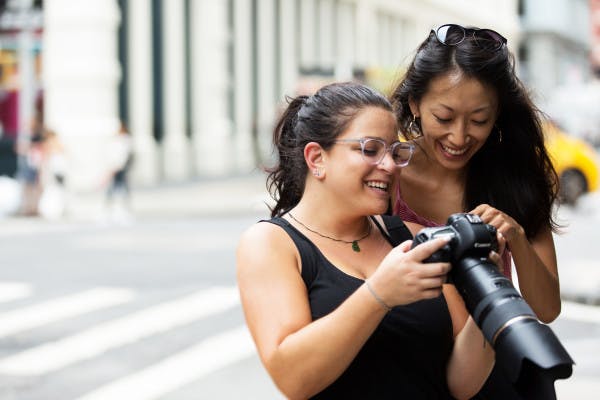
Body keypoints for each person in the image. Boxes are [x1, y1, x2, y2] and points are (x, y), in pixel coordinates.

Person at [237, 81, 500, 399]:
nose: (389, 166)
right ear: (317, 158)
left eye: (395, 152)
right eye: (371, 149)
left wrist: (487, 302)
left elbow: (462, 385)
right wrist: (378, 295)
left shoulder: (415, 239)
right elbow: (294, 379)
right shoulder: (271, 244)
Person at [388, 24, 561, 398]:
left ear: (497, 114)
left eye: (479, 120)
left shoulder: (516, 178)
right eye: (444, 117)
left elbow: (546, 309)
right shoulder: (385, 175)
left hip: (503, 379)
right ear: (415, 104)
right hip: (411, 377)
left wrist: (515, 237)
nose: (459, 137)